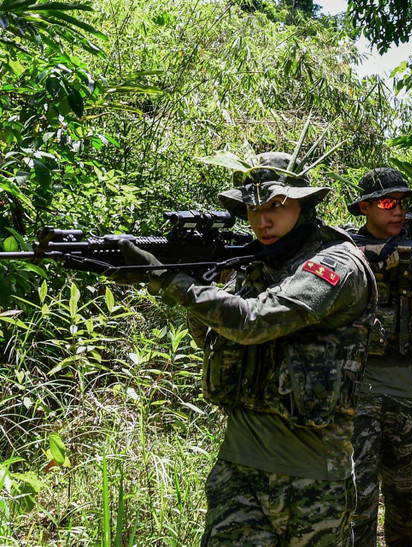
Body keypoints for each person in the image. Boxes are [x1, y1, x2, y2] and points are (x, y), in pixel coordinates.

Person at [113, 152, 377, 546]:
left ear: (304, 204)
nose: (262, 221)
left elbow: (254, 322)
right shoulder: (252, 264)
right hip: (240, 468)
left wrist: (170, 281)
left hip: (315, 476)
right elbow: (214, 338)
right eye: (252, 209)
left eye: (275, 206)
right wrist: (200, 280)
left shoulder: (336, 263)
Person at [346, 167, 412, 547]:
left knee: (405, 492)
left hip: (407, 386)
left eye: (403, 203)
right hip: (357, 385)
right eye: (387, 203)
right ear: (365, 207)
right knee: (359, 495)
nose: (397, 211)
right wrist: (375, 262)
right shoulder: (343, 249)